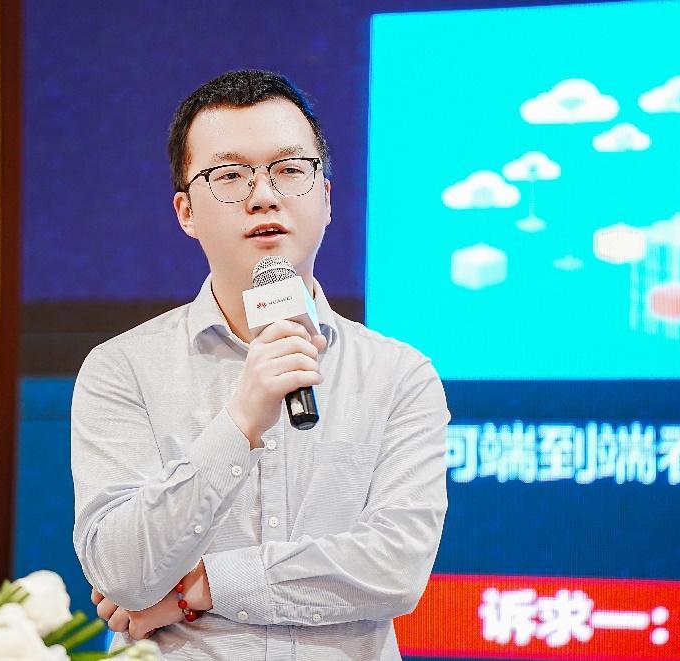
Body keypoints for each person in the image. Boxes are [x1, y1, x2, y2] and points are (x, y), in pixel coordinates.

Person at [72, 69, 449, 661]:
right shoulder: (122, 369)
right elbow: (122, 573)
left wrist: (200, 588)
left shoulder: (399, 375)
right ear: (185, 212)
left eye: (290, 169)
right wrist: (240, 422)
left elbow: (396, 568)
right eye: (230, 176)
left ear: (327, 198)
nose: (264, 195)